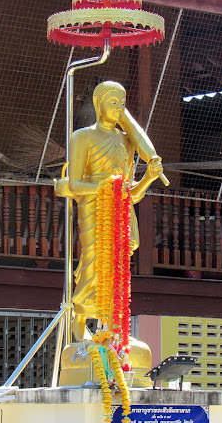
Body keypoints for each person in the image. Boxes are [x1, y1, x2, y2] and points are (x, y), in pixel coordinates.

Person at [58, 80, 165, 341]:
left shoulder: (126, 141)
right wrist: (108, 187)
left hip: (120, 208)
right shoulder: (82, 136)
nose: (119, 108)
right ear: (98, 104)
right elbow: (74, 184)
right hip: (94, 205)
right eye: (113, 102)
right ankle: (80, 316)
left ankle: (112, 322)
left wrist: (148, 177)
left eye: (123, 104)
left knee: (118, 264)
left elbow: (132, 193)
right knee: (93, 259)